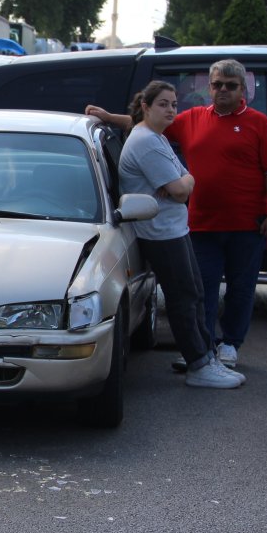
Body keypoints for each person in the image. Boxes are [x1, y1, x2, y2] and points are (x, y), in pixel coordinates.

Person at [94, 81, 244, 388]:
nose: (171, 110)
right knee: (183, 298)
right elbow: (180, 190)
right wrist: (182, 182)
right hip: (160, 232)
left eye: (174, 104)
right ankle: (198, 365)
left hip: (174, 228)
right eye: (163, 104)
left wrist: (183, 181)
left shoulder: (156, 137)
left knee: (195, 293)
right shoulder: (146, 142)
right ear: (145, 107)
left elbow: (184, 180)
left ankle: (206, 356)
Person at [162, 59, 267, 368]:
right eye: (217, 85)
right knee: (201, 290)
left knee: (241, 289)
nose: (223, 90)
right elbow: (151, 125)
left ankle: (230, 344)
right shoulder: (191, 118)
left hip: (248, 226)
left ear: (243, 90)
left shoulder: (260, 124)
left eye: (231, 86)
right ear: (209, 87)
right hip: (202, 225)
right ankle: (201, 347)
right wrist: (108, 117)